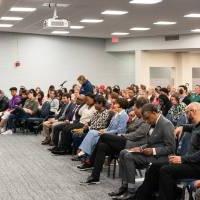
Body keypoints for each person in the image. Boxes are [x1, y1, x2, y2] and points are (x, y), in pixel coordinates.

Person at [109, 103, 175, 200]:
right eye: (145, 119)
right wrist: (140, 148)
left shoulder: (166, 124)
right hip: (150, 152)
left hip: (161, 157)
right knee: (123, 152)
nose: (146, 121)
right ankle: (125, 186)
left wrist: (153, 151)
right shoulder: (151, 122)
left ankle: (131, 191)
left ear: (154, 113)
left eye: (147, 118)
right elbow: (150, 142)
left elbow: (171, 148)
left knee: (128, 156)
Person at [79, 97, 150, 184]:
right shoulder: (137, 118)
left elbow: (137, 135)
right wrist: (131, 120)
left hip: (132, 144)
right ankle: (95, 177)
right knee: (102, 146)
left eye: (135, 108)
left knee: (103, 136)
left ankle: (90, 161)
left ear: (141, 108)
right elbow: (129, 128)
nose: (133, 110)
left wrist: (122, 135)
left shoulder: (146, 120)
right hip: (125, 140)